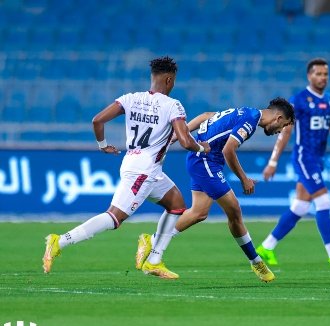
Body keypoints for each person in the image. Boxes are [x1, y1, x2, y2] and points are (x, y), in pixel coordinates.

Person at [42, 56, 210, 279]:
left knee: (177, 205)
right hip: (144, 171)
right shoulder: (173, 105)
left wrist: (102, 145)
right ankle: (60, 241)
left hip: (139, 165)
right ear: (169, 80)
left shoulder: (130, 98)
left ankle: (154, 260)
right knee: (114, 218)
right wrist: (203, 147)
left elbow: (97, 120)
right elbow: (186, 141)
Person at [135, 98, 295, 283]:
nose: (280, 131)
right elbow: (229, 150)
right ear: (279, 117)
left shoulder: (245, 111)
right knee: (234, 212)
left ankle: (152, 241)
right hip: (206, 161)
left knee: (198, 213)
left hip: (201, 159)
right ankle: (256, 261)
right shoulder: (250, 119)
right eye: (284, 126)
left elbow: (206, 116)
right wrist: (244, 179)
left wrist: (177, 136)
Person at [256, 58, 330, 267]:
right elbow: (285, 131)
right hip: (304, 157)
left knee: (301, 206)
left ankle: (266, 247)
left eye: (325, 74)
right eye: (318, 74)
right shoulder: (299, 100)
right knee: (324, 201)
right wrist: (273, 161)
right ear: (309, 76)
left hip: (318, 159)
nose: (322, 78)